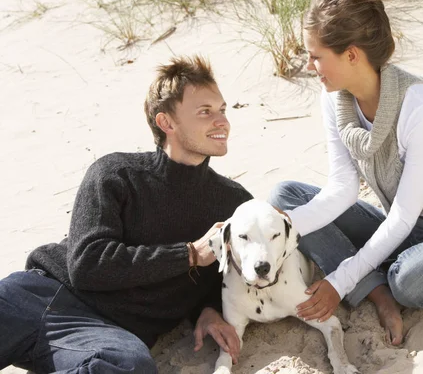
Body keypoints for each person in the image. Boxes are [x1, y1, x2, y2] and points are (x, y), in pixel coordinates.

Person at [269, 0, 423, 346]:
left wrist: (338, 279)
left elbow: (404, 216)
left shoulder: (419, 107)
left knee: (407, 282)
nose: (310, 67)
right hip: (402, 225)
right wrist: (278, 225)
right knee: (284, 197)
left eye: (316, 57)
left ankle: (385, 277)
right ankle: (376, 289)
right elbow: (342, 190)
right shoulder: (334, 98)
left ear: (352, 54)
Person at [0, 55, 253, 373]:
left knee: (130, 366)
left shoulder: (234, 202)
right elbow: (87, 265)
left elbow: (227, 277)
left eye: (222, 110)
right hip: (40, 295)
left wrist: (210, 309)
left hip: (108, 334)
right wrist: (187, 254)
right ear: (166, 123)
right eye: (205, 112)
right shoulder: (116, 173)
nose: (222, 122)